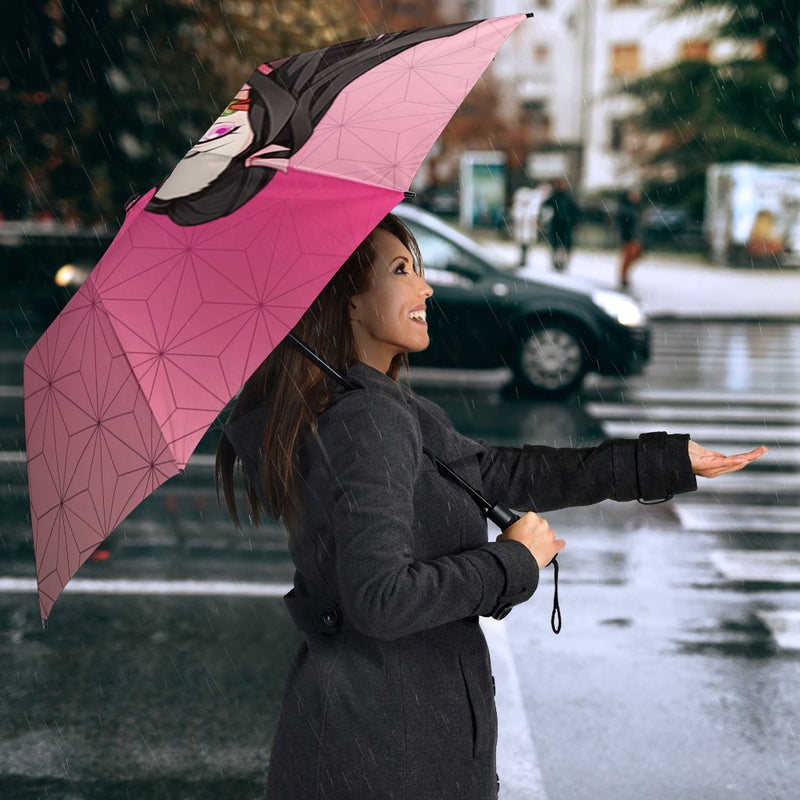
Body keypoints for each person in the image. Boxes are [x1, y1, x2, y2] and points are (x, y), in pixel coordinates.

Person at [216, 213, 765, 800]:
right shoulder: (366, 419)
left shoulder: (374, 406)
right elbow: (380, 599)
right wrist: (511, 561)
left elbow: (501, 473)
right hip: (388, 751)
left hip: (377, 736)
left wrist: (662, 462)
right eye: (402, 271)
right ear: (347, 302)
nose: (425, 288)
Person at [540, 177, 579, 272]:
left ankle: (562, 263)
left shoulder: (567, 197)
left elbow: (575, 211)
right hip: (557, 225)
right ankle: (555, 263)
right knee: (556, 245)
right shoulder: (555, 196)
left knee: (564, 246)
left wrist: (575, 223)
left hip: (566, 225)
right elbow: (545, 205)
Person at [618, 188, 643, 288]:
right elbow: (625, 222)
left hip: (635, 236)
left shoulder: (635, 207)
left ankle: (625, 276)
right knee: (628, 256)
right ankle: (623, 277)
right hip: (628, 236)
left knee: (635, 255)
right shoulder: (625, 208)